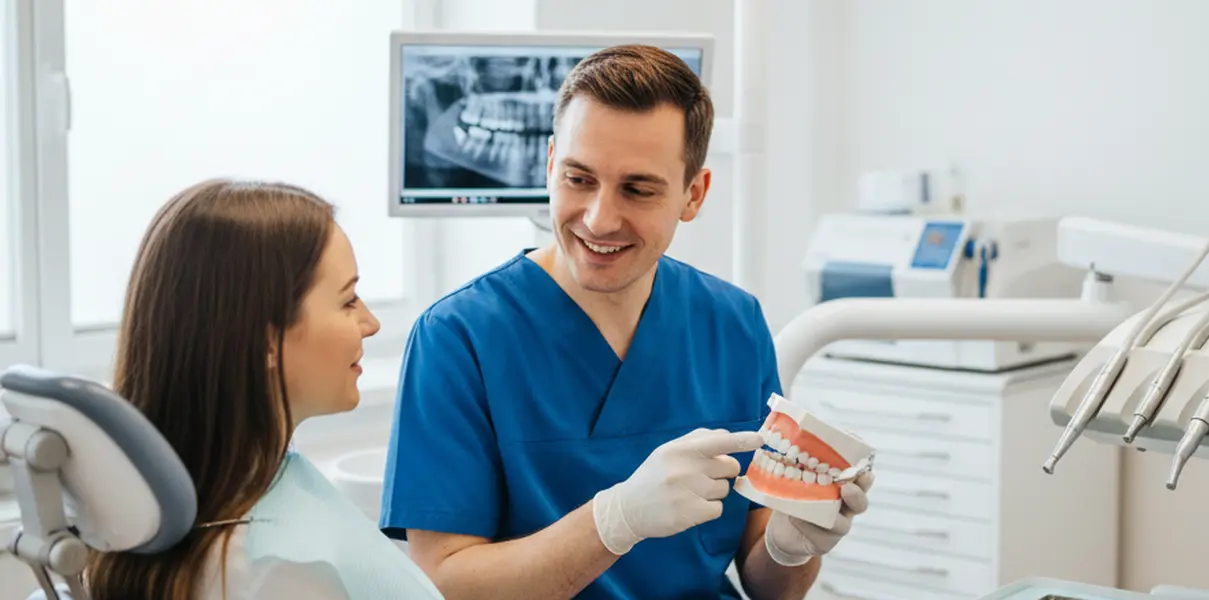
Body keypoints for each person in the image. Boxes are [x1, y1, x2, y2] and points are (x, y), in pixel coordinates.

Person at [379, 45, 875, 600]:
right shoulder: (459, 337)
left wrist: (791, 546)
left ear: (694, 194)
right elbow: (444, 583)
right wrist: (612, 522)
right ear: (548, 166)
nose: (599, 218)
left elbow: (770, 588)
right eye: (578, 179)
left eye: (637, 189)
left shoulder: (732, 322)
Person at [82, 179, 446, 600]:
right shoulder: (277, 572)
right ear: (266, 343)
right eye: (348, 301)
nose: (370, 323)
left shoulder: (239, 489)